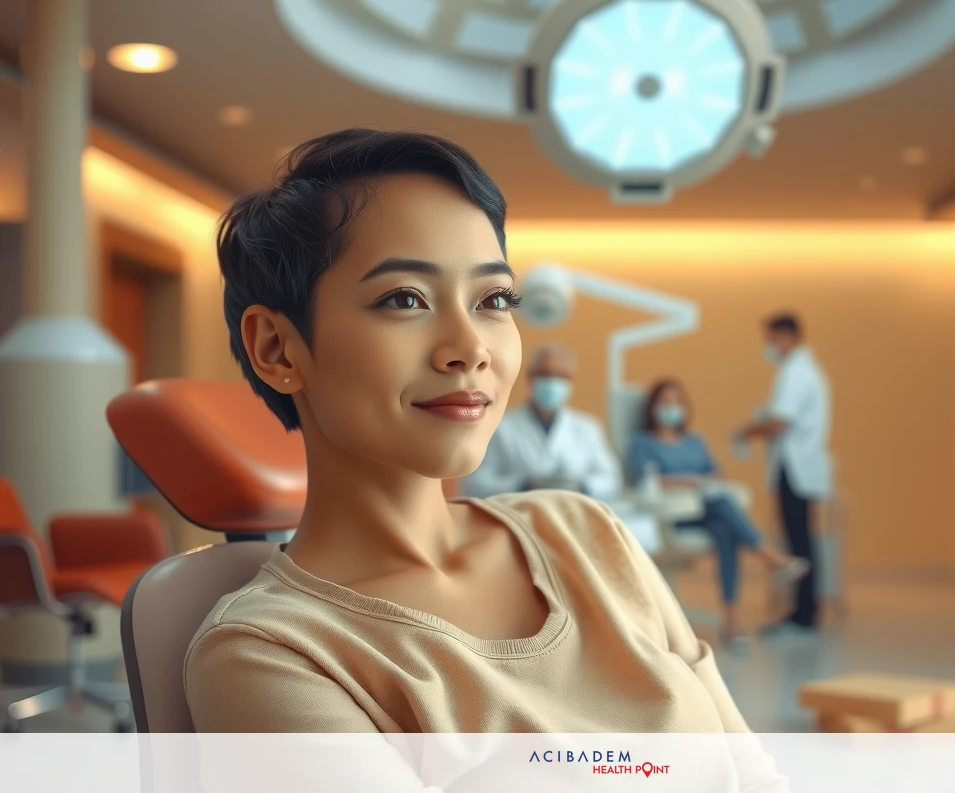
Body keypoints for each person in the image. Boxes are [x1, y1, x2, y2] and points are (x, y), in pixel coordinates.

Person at [184, 127, 783, 755]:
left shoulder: (587, 534)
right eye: (405, 299)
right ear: (277, 348)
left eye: (494, 299)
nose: (471, 350)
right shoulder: (273, 655)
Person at [629, 379, 808, 645]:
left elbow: (716, 473)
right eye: (665, 402)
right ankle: (771, 558)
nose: (671, 408)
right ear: (652, 407)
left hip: (705, 513)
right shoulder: (642, 443)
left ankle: (732, 623)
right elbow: (642, 482)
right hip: (672, 518)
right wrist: (686, 480)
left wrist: (708, 480)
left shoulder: (694, 441)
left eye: (676, 402)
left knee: (725, 528)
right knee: (722, 507)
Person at [735, 313, 832, 637]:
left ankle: (803, 616)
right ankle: (803, 611)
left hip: (796, 465)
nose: (768, 347)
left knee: (799, 541)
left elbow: (779, 421)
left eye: (771, 339)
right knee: (800, 539)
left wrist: (748, 430)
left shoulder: (796, 373)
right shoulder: (803, 371)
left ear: (787, 336)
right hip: (799, 464)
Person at [459, 345, 622, 500]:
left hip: (572, 517)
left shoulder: (587, 428)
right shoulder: (501, 426)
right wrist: (524, 485)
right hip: (516, 517)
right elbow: (475, 482)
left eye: (561, 375)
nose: (552, 382)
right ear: (530, 377)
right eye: (545, 374)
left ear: (571, 381)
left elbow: (611, 479)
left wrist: (581, 486)